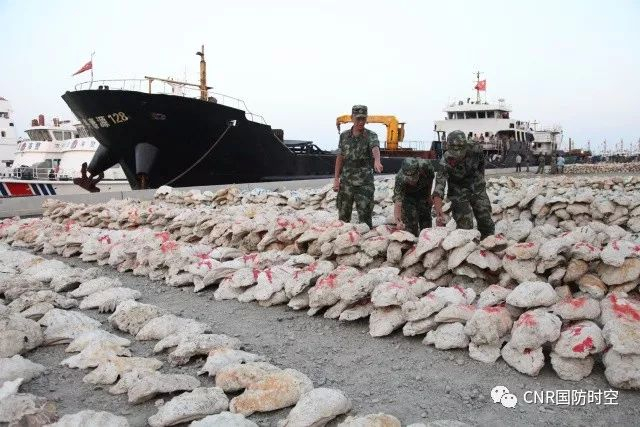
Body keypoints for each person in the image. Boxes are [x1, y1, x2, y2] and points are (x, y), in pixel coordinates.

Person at [432, 130, 495, 239]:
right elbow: (439, 188)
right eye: (454, 152)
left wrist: (480, 180)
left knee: (485, 219)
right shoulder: (445, 161)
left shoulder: (476, 149)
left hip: (476, 184)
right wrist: (439, 213)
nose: (458, 155)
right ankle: (467, 245)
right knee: (465, 226)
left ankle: (487, 243)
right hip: (458, 189)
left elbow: (481, 164)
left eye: (460, 151)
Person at [333, 105, 384, 228]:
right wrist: (336, 179)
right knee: (343, 217)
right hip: (346, 181)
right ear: (352, 118)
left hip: (364, 182)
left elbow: (375, 147)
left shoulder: (370, 135)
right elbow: (340, 157)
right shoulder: (344, 136)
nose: (361, 122)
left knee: (365, 218)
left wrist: (377, 161)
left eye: (363, 118)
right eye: (358, 119)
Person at [393, 157, 438, 236]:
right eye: (409, 179)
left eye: (413, 177)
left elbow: (430, 180)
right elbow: (398, 201)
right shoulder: (400, 178)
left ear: (419, 171)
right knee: (410, 226)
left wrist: (428, 196)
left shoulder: (426, 167)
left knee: (426, 222)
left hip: (423, 191)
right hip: (408, 196)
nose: (411, 181)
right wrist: (398, 222)